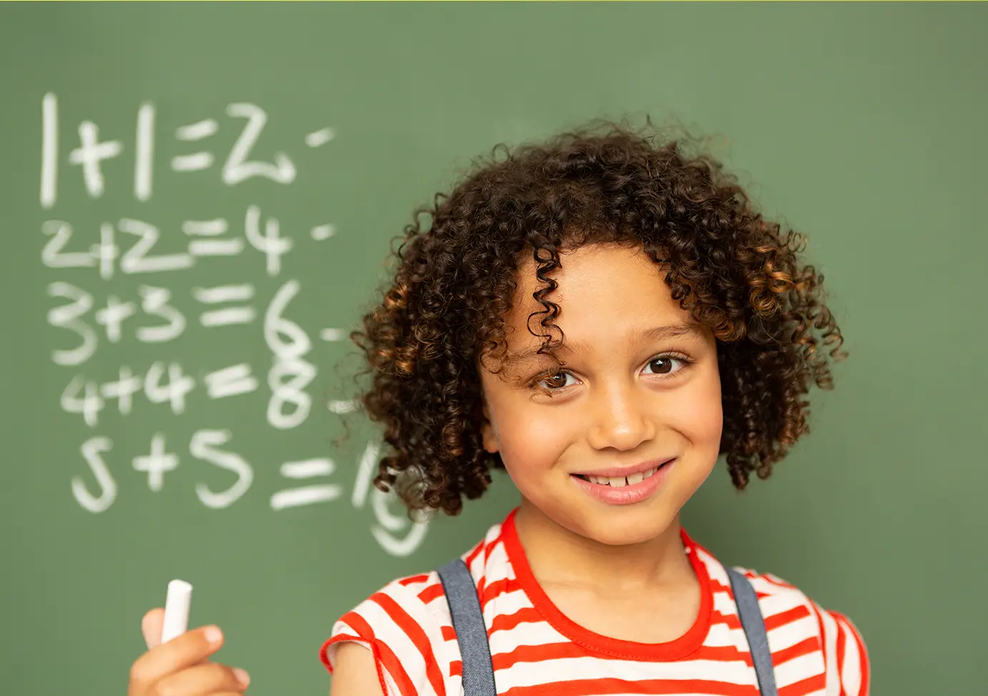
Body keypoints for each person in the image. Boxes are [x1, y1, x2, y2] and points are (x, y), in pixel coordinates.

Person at [127, 122, 870, 696]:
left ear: (726, 364)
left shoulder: (808, 649)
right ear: (478, 409)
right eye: (555, 380)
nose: (622, 427)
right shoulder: (409, 653)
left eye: (664, 363)